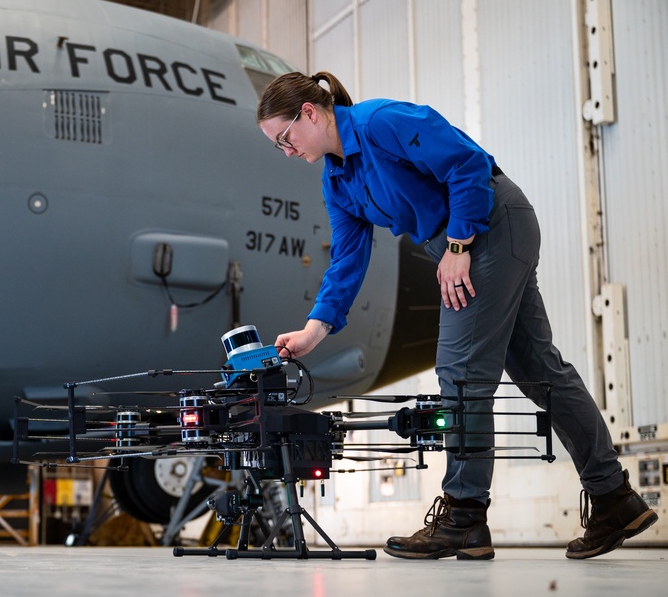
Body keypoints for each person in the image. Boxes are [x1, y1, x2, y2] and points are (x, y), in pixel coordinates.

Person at [258, 71, 657, 560]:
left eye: (284, 137)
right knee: (541, 372)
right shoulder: (338, 180)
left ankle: (465, 516)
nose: (286, 150)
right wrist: (313, 331)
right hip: (474, 238)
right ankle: (614, 498)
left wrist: (459, 242)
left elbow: (467, 164)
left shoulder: (382, 121)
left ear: (309, 112)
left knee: (462, 372)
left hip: (489, 222)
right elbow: (347, 259)